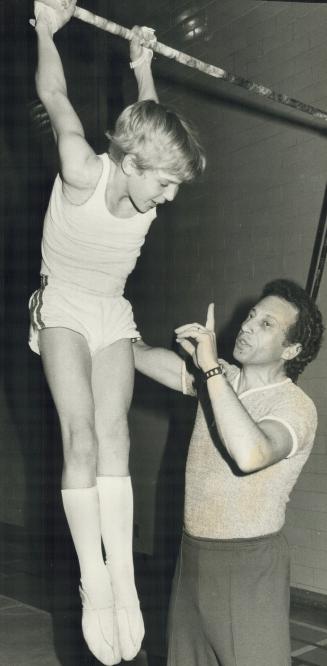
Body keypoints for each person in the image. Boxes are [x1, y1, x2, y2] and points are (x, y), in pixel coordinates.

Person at [28, 1, 206, 664]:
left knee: (114, 438)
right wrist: (47, 28)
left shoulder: (146, 169)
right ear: (130, 166)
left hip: (110, 310)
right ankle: (94, 580)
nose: (168, 200)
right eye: (163, 186)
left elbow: (152, 123)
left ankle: (124, 584)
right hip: (63, 306)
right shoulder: (83, 170)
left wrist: (142, 63)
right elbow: (54, 92)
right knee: (79, 437)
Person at [133, 278, 324, 666]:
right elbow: (142, 355)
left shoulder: (295, 406)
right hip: (193, 556)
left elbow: (251, 454)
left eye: (266, 324)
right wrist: (105, 315)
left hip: (249, 566)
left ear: (292, 348)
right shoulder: (220, 378)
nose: (248, 325)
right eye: (252, 315)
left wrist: (209, 370)